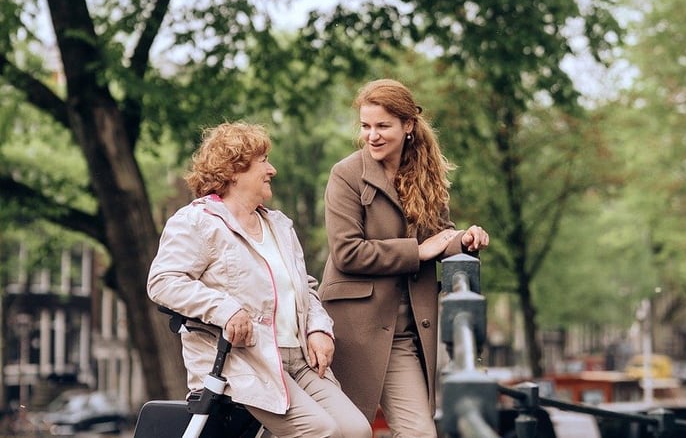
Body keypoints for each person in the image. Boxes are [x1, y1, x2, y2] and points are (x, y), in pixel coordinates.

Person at [147, 121, 372, 438]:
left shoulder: (278, 225)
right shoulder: (197, 221)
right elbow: (163, 281)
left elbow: (304, 287)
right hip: (245, 363)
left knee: (356, 431)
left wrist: (318, 327)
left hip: (298, 360)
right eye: (263, 161)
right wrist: (225, 309)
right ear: (234, 170)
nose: (273, 169)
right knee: (322, 432)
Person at [318, 78, 490, 437]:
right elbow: (348, 253)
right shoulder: (346, 175)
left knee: (420, 433)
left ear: (408, 125)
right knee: (343, 432)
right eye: (366, 126)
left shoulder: (427, 174)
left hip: (404, 333)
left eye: (383, 126)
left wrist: (465, 239)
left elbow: (438, 235)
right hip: (349, 331)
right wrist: (418, 251)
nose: (372, 136)